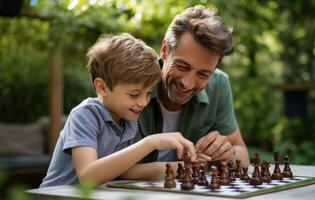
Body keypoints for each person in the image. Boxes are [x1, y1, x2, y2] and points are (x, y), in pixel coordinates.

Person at [40, 33, 196, 188]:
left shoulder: (128, 122)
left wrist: (183, 167)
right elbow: (88, 177)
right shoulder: (85, 116)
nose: (143, 102)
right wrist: (150, 142)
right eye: (134, 94)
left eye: (148, 93)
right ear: (102, 87)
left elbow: (126, 172)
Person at [134, 5, 249, 167]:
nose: (187, 84)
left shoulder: (219, 84)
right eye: (182, 66)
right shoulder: (131, 81)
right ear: (165, 50)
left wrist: (228, 154)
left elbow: (242, 155)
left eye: (203, 74)